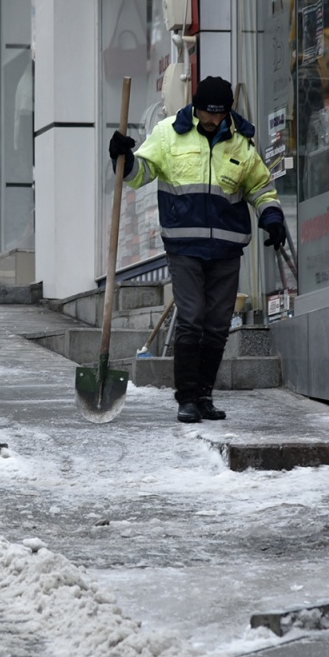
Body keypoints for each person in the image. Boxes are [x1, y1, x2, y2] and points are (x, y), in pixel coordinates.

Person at [109, 75, 287, 423]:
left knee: (218, 325)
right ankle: (186, 399)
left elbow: (260, 187)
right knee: (191, 320)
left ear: (227, 113)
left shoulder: (241, 143)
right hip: (184, 246)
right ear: (196, 106)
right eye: (207, 113)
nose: (212, 121)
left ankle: (204, 395)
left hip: (227, 249)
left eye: (219, 115)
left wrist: (272, 217)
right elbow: (139, 174)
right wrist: (123, 157)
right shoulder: (168, 134)